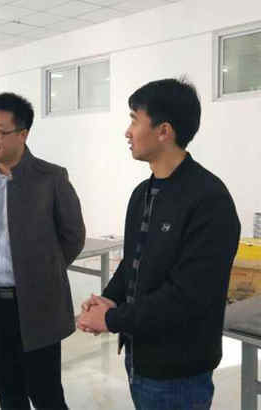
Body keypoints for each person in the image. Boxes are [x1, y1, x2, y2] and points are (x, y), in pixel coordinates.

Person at [78, 78, 241, 410]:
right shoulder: (143, 193)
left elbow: (187, 296)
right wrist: (109, 299)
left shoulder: (209, 200)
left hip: (179, 371)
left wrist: (112, 319)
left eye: (134, 120)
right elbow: (133, 261)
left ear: (164, 131)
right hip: (140, 356)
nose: (127, 132)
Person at [0, 92, 86, 410]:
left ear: (23, 134)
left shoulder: (51, 178)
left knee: (46, 394)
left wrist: (43, 271)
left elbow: (73, 236)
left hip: (37, 303)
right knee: (8, 392)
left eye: (0, 131)